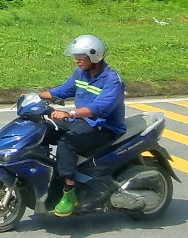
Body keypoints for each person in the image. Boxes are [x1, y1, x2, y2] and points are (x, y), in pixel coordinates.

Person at [38, 34, 125, 217]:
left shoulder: (111, 79)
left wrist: (70, 113)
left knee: (66, 142)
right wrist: (34, 96)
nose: (77, 60)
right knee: (45, 129)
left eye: (81, 56)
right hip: (82, 120)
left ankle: (70, 193)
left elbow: (99, 108)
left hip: (104, 126)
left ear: (95, 56)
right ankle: (48, 176)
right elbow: (62, 91)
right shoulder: (81, 73)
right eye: (75, 55)